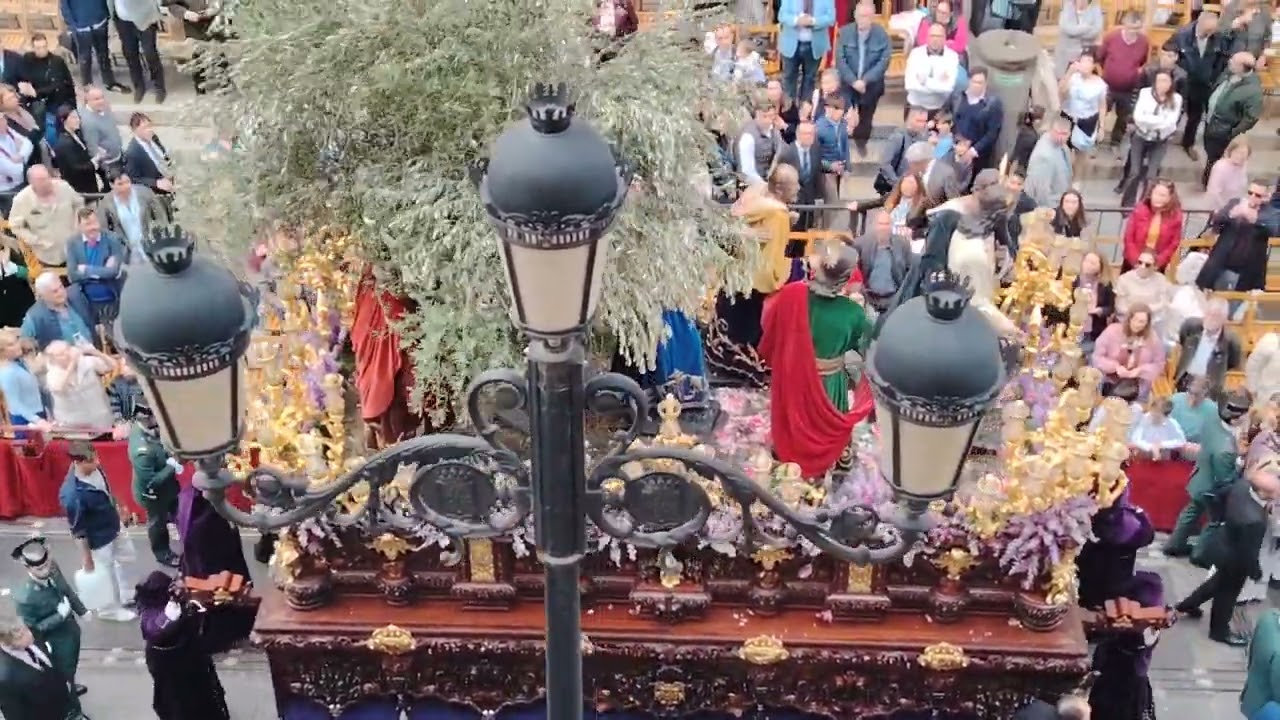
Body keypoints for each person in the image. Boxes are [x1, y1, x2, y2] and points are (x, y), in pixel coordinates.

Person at [758, 240, 873, 478]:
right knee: (825, 427)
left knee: (793, 423)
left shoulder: (790, 295)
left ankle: (787, 457)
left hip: (792, 378)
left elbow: (769, 328)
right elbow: (861, 346)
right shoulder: (854, 313)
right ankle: (832, 462)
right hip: (830, 383)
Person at [1175, 459, 1280, 646]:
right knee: (1227, 594)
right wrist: (1256, 572)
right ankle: (1219, 631)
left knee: (1216, 583)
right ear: (1264, 493)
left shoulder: (1242, 487)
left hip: (1223, 542)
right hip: (1236, 558)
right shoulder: (1254, 521)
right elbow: (1249, 553)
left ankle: (1187, 605)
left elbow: (1221, 495)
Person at [1164, 389, 1252, 557]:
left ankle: (1174, 544)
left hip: (1199, 478)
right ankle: (1200, 554)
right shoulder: (1225, 449)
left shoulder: (1214, 422)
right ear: (1237, 417)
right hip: (1213, 487)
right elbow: (1225, 478)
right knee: (1215, 521)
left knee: (1190, 513)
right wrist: (1240, 465)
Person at [135, 571, 230, 720]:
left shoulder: (149, 609)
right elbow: (160, 630)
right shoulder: (164, 614)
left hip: (172, 664)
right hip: (182, 663)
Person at [58, 442, 136, 622]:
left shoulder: (96, 471)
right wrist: (87, 558)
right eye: (92, 461)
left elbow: (107, 491)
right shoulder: (73, 495)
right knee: (105, 573)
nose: (98, 463)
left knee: (127, 557)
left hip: (113, 524)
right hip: (99, 538)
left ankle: (125, 593)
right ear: (79, 462)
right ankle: (109, 610)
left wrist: (120, 509)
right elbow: (78, 529)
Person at [10, 537, 87, 700]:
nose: (45, 570)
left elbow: (66, 588)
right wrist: (59, 616)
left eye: (46, 565)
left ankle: (70, 684)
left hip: (71, 631)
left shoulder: (52, 568)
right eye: (39, 569)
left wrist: (81, 610)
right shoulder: (25, 597)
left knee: (70, 668)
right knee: (62, 674)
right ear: (28, 567)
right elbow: (32, 630)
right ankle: (71, 709)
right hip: (54, 642)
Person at [1195, 179, 1280, 298]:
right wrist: (1231, 215)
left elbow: (1274, 229)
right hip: (1221, 263)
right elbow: (1218, 218)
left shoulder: (1272, 213)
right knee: (1208, 301)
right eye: (1250, 193)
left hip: (1247, 270)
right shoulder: (1235, 203)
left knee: (1235, 309)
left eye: (1258, 195)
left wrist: (1253, 218)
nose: (1252, 197)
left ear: (1267, 197)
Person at [0, 605, 80, 720]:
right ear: (8, 642)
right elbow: (15, 714)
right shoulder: (5, 677)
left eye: (26, 629)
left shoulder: (31, 638)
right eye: (22, 635)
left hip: (62, 702)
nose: (30, 635)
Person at [130, 396, 182, 567]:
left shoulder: (152, 430)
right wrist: (173, 464)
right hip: (153, 495)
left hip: (168, 486)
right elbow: (151, 482)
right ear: (146, 418)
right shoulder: (141, 450)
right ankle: (162, 553)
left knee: (180, 511)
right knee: (158, 523)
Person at [834, 2, 890, 157]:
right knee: (844, 112)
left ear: (873, 17)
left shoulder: (881, 34)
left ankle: (861, 142)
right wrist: (853, 81)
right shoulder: (844, 33)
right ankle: (839, 148)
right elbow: (840, 60)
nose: (863, 19)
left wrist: (865, 80)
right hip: (848, 82)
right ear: (855, 16)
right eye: (861, 15)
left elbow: (884, 61)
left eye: (867, 16)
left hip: (871, 84)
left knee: (866, 118)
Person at [1201, 51, 1263, 187]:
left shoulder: (1253, 90)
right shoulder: (1228, 74)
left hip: (1224, 129)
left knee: (1215, 158)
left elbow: (1251, 117)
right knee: (1210, 153)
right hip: (1212, 122)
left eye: (1233, 61)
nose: (1229, 62)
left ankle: (1211, 183)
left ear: (1242, 67)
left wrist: (1233, 132)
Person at [1119, 73, 1181, 207]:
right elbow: (1138, 117)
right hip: (1141, 136)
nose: (1162, 84)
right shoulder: (1145, 93)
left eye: (1165, 81)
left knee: (1151, 176)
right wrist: (1158, 121)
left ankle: (1144, 205)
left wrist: (1150, 120)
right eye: (1159, 81)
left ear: (1171, 83)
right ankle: (1127, 205)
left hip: (1160, 139)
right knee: (1134, 172)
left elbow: (1171, 123)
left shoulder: (1176, 99)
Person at [1173, 8, 1226, 162]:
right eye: (1207, 31)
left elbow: (1220, 61)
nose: (1210, 35)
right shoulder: (1182, 35)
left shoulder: (1217, 37)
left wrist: (1213, 78)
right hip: (1183, 83)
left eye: (1212, 31)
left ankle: (1187, 143)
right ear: (1200, 24)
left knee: (1195, 117)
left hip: (1203, 84)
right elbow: (1169, 53)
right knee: (1176, 111)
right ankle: (1166, 135)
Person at [1091, 303, 1166, 399]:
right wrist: (1115, 367)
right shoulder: (1112, 331)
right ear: (1129, 318)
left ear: (1147, 323)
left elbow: (1159, 364)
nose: (1136, 324)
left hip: (1138, 387)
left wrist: (1140, 371)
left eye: (1141, 321)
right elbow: (1097, 357)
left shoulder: (1153, 340)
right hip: (1110, 382)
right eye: (1134, 319)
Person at [1172, 297, 1242, 399]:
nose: (1211, 318)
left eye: (1216, 316)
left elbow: (1233, 362)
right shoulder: (1190, 326)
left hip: (1210, 385)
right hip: (1186, 378)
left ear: (1224, 319)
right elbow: (1183, 342)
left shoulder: (1231, 340)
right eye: (1208, 313)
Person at [777, 0, 835, 104]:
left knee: (810, 79)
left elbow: (830, 18)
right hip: (791, 43)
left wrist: (813, 21)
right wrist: (796, 20)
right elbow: (782, 15)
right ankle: (789, 110)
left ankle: (805, 111)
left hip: (814, 45)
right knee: (789, 77)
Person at [20, 271, 94, 351]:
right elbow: (24, 343)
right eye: (55, 291)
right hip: (64, 361)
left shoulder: (77, 297)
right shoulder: (34, 316)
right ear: (43, 296)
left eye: (61, 287)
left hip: (94, 355)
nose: (61, 292)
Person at [1121, 179, 1183, 272]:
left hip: (1156, 264)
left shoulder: (1176, 216)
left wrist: (1158, 262)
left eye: (1162, 195)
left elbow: (1174, 242)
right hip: (1133, 261)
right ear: (1150, 194)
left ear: (1170, 198)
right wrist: (1136, 261)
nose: (1158, 198)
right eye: (1156, 194)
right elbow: (1129, 237)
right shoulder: (1139, 210)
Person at [0, 327, 46, 427]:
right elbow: (13, 403)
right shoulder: (6, 372)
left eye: (16, 341)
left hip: (37, 413)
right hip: (25, 419)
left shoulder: (20, 363)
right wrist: (37, 420)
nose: (17, 346)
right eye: (10, 345)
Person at [1024, 116, 1074, 207]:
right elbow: (1041, 192)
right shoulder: (1044, 156)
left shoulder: (1063, 147)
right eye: (1057, 133)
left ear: (1069, 134)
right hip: (1049, 206)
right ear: (1051, 130)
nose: (1060, 137)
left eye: (1064, 134)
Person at [50, 106, 101, 195]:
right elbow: (75, 168)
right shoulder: (65, 143)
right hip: (78, 188)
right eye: (73, 118)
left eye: (78, 117)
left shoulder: (76, 135)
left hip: (88, 183)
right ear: (63, 120)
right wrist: (94, 161)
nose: (78, 120)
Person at [1170, 375, 1222, 447]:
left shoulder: (1212, 409)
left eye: (1197, 395)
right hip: (1173, 443)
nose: (1193, 399)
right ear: (1188, 388)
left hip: (1196, 448)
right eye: (1191, 393)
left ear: (1205, 392)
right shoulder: (1176, 399)